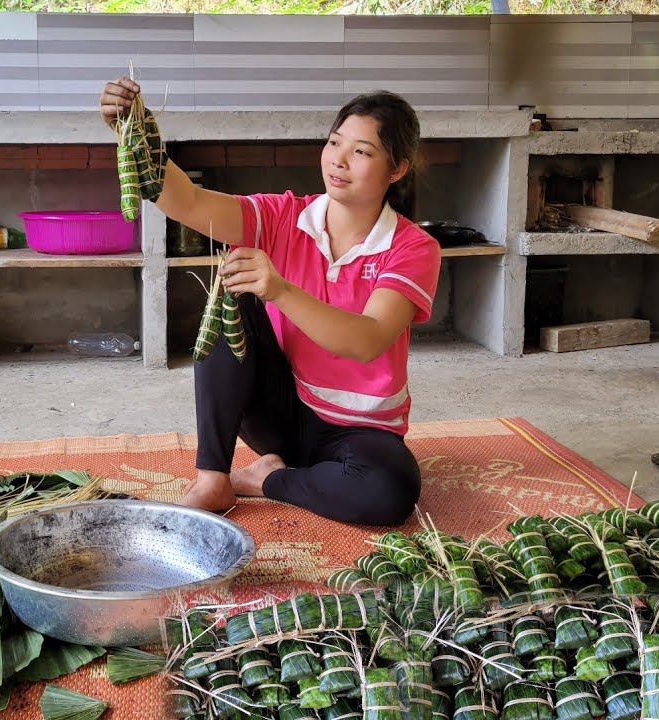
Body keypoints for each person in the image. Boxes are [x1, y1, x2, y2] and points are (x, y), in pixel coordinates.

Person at [99, 78, 441, 527]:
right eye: (334, 142)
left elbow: (368, 340)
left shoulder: (413, 248)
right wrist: (133, 132)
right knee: (231, 297)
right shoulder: (282, 216)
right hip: (279, 414)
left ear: (396, 170)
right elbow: (188, 200)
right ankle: (212, 478)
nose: (338, 160)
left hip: (362, 433)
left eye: (361, 151)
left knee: (390, 493)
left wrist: (281, 290)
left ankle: (265, 481)